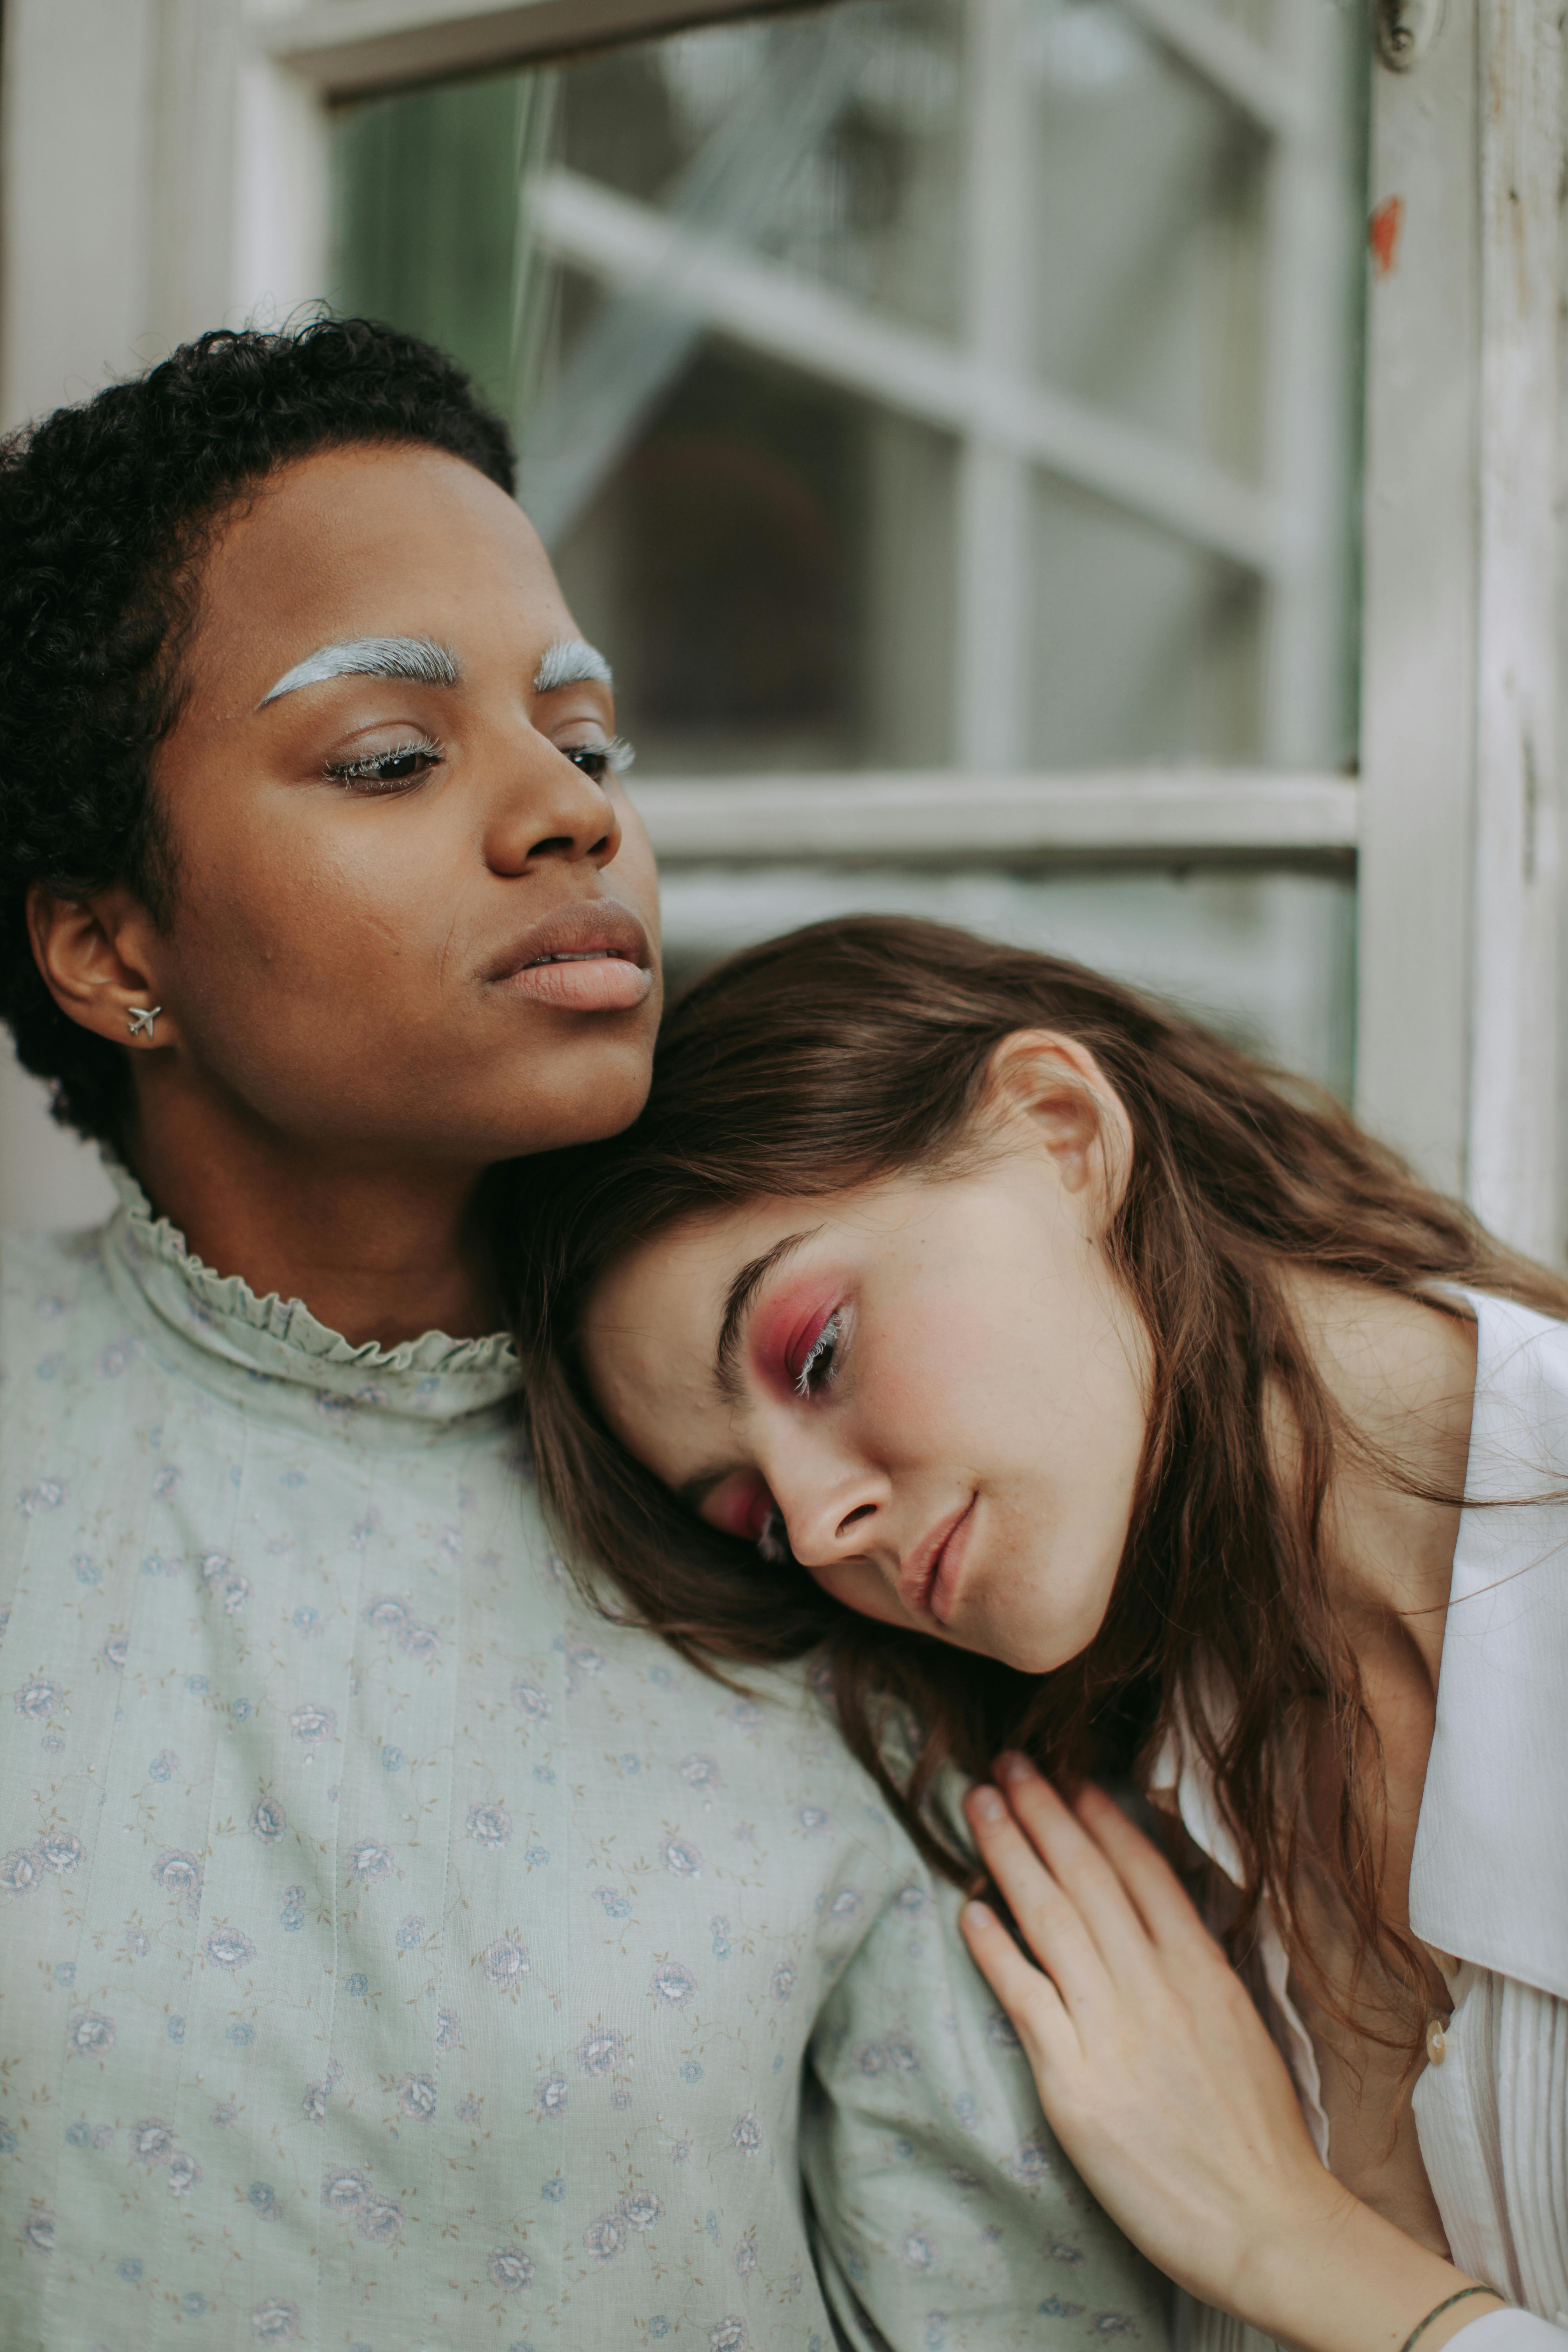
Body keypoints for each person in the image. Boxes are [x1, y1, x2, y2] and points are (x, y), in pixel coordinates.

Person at [0, 330, 1163, 2350]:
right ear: (113, 948)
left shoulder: (844, 1502)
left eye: (587, 742)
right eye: (390, 754)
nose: (570, 818)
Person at [512, 913, 1568, 2352]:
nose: (821, 1531)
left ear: (1060, 1129)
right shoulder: (1129, 1832)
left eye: (816, 1352)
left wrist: (1292, 2242)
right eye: (753, 1514)